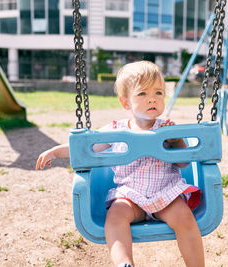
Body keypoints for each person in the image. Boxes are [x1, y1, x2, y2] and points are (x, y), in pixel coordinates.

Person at [36, 61, 204, 267]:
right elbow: (87, 148)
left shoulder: (167, 128)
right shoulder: (116, 130)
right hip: (131, 196)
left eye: (158, 93)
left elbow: (184, 162)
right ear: (126, 103)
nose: (152, 98)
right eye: (142, 94)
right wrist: (56, 151)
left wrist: (175, 140)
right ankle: (124, 264)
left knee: (185, 218)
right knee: (115, 217)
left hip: (166, 193)